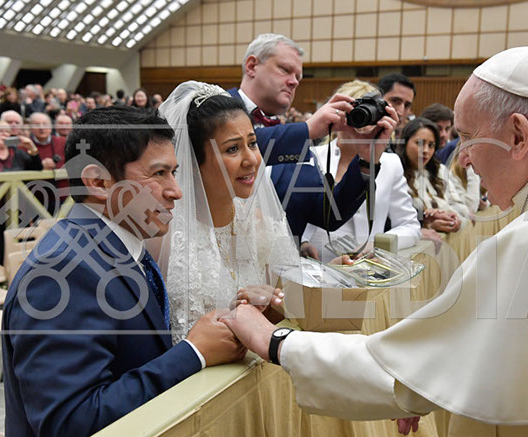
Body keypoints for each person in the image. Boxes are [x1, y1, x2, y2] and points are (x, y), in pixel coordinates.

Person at [221, 47, 528, 437]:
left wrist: (276, 341)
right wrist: (427, 381)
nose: (465, 160)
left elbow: (399, 369)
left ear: (519, 135)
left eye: (468, 138)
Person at [1, 106, 246, 437]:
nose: (176, 191)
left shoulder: (120, 243)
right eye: (158, 174)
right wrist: (193, 353)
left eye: (174, 172)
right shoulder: (62, 271)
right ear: (98, 183)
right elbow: (70, 427)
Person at [157, 81, 300, 343]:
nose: (251, 159)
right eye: (232, 149)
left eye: (252, 143)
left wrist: (322, 278)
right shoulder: (166, 238)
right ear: (193, 161)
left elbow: (289, 309)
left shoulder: (260, 223)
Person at [230, 33, 381, 243]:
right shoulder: (212, 110)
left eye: (298, 77)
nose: (294, 82)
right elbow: (228, 146)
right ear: (252, 66)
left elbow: (330, 215)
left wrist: (366, 159)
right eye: (285, 70)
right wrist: (307, 129)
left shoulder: (297, 145)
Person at [301, 80, 416, 260]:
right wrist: (301, 242)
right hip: (314, 267)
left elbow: (410, 225)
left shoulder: (390, 163)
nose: (361, 121)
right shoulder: (310, 157)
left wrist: (378, 244)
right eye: (355, 112)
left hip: (364, 267)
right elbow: (291, 215)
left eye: (369, 113)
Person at [0, 120, 42, 263]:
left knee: (22, 248)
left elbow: (37, 169)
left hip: (17, 209)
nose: (4, 134)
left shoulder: (18, 152)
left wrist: (32, 148)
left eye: (7, 131)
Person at [396, 117, 462, 239]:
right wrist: (426, 224)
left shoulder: (437, 172)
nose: (426, 150)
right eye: (419, 143)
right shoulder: (394, 174)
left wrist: (451, 218)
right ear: (405, 143)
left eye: (431, 145)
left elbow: (459, 205)